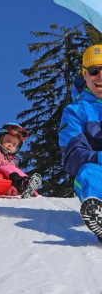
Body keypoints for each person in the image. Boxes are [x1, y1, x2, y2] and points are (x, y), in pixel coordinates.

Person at [59, 44, 102, 240]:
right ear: (85, 75)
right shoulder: (75, 111)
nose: (100, 75)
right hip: (99, 171)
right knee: (87, 173)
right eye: (94, 71)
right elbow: (73, 156)